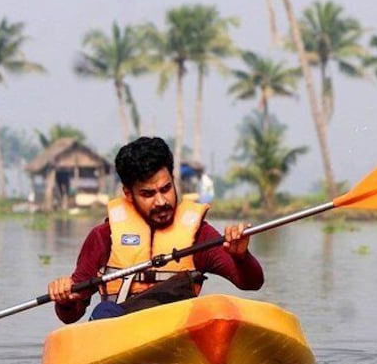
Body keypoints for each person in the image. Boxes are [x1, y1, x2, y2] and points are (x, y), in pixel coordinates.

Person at [47, 136, 263, 323]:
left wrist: (241, 256)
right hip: (120, 332)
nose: (161, 201)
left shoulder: (200, 236)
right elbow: (71, 315)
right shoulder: (103, 237)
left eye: (166, 189)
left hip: (176, 331)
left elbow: (251, 283)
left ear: (173, 180)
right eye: (148, 194)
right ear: (128, 194)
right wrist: (65, 300)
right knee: (103, 311)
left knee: (212, 307)